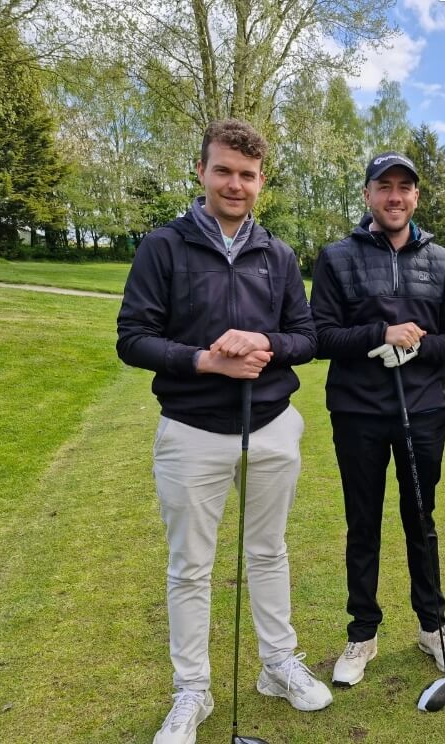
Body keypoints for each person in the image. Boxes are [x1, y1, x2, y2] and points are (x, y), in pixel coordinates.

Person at [117, 119, 332, 744]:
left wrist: (265, 341)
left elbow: (308, 338)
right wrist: (205, 359)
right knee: (191, 566)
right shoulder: (165, 246)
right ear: (202, 172)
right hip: (191, 430)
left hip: (271, 425)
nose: (235, 185)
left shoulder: (279, 254)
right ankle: (192, 693)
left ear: (261, 181)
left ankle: (276, 667)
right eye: (223, 171)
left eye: (247, 175)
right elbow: (133, 339)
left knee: (269, 552)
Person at [310, 151, 445, 687]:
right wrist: (381, 334)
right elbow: (320, 336)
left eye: (405, 187)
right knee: (363, 523)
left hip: (423, 410)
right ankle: (362, 634)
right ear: (368, 195)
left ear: (416, 197)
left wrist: (417, 346)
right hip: (357, 412)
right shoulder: (336, 257)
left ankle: (433, 627)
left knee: (421, 521)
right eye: (385, 186)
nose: (395, 196)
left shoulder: (442, 261)